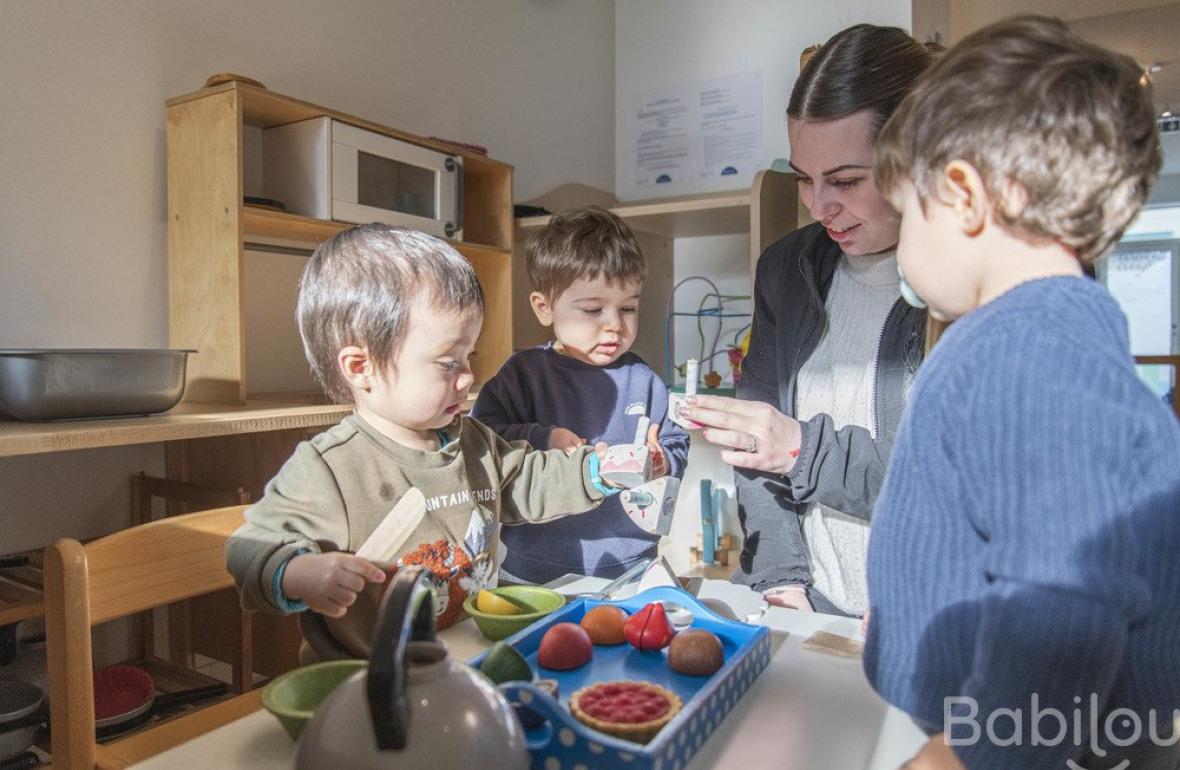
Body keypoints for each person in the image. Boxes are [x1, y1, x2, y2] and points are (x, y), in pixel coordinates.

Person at [863, 16, 1179, 770]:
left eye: (908, 214)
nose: (903, 244)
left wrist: (963, 757)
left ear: (964, 196)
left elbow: (1062, 601)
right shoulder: (1056, 336)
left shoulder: (1027, 348)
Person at [227, 224, 626, 663]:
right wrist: (299, 572)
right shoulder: (330, 467)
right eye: (446, 362)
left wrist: (593, 472)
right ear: (361, 367)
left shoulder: (474, 442)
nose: (469, 376)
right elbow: (251, 548)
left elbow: (527, 479)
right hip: (364, 679)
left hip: (463, 654)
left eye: (468, 357)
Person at [679, 24, 936, 617]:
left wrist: (798, 447)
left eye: (845, 181)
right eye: (803, 177)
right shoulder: (785, 270)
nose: (818, 207)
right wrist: (781, 579)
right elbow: (755, 443)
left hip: (918, 620)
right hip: (810, 604)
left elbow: (952, 486)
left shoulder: (962, 285)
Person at [471, 207, 690, 583]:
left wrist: (664, 461)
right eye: (592, 310)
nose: (615, 326)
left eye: (629, 308)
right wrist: (545, 437)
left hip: (632, 569)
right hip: (531, 572)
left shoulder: (644, 379)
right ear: (544, 308)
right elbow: (482, 443)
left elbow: (676, 441)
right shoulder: (522, 375)